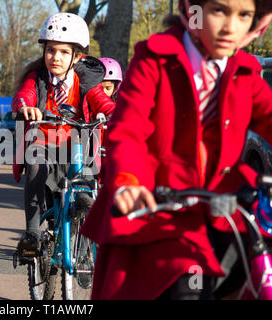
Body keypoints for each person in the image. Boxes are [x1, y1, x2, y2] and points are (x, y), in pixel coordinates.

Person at [80, 0, 272, 300]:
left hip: (221, 217)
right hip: (157, 213)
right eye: (219, 10)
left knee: (256, 276)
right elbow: (128, 129)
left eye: (244, 15)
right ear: (193, 9)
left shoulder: (244, 72)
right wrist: (128, 181)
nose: (230, 27)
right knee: (182, 285)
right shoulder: (156, 59)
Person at [11, 13, 116, 255]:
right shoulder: (36, 78)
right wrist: (25, 106)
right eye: (50, 50)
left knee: (87, 174)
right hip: (42, 141)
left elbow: (102, 102)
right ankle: (32, 232)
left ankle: (84, 222)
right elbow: (24, 95)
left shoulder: (85, 80)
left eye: (63, 52)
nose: (55, 57)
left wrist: (121, 114)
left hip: (76, 143)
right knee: (36, 165)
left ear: (77, 56)